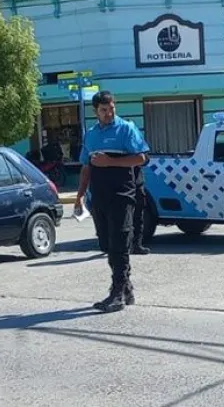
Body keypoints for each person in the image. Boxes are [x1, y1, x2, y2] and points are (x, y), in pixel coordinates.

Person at [74, 91, 150, 313]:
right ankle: (125, 287)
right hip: (99, 196)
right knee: (106, 244)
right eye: (104, 110)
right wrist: (79, 195)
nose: (109, 113)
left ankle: (117, 292)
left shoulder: (126, 129)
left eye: (111, 109)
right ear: (95, 111)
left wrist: (111, 162)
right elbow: (86, 166)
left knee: (120, 241)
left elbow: (142, 157)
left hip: (122, 194)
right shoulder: (91, 135)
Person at [130, 165, 150, 255]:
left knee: (138, 216)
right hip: (122, 184)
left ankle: (137, 245)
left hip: (137, 182)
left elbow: (145, 160)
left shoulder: (138, 150)